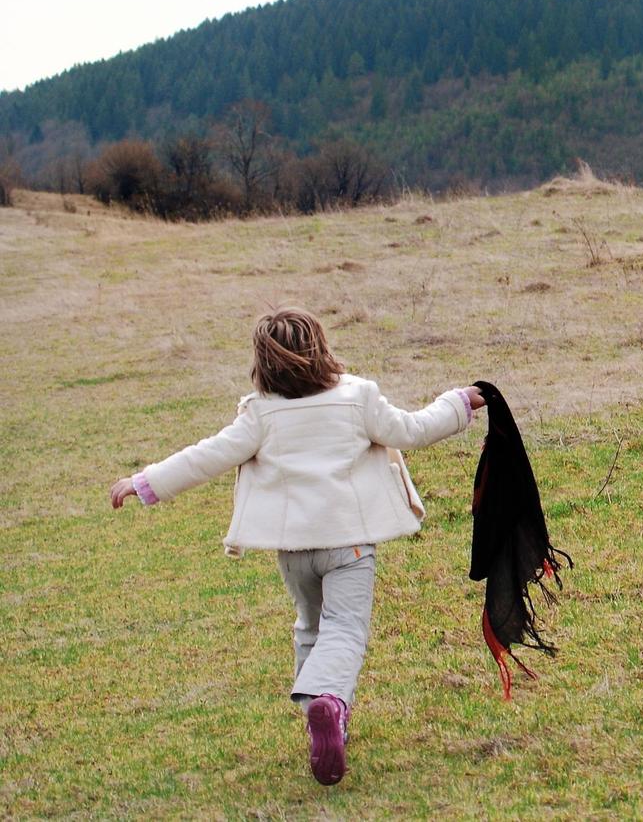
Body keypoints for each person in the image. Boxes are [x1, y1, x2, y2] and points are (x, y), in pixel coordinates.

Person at [110, 307, 485, 786]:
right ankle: (329, 701)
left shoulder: (259, 414)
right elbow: (411, 430)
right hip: (349, 546)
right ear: (321, 349)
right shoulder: (357, 397)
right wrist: (459, 402)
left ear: (263, 364)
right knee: (346, 630)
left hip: (294, 552)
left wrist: (144, 483)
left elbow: (205, 457)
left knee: (311, 625)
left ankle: (321, 716)